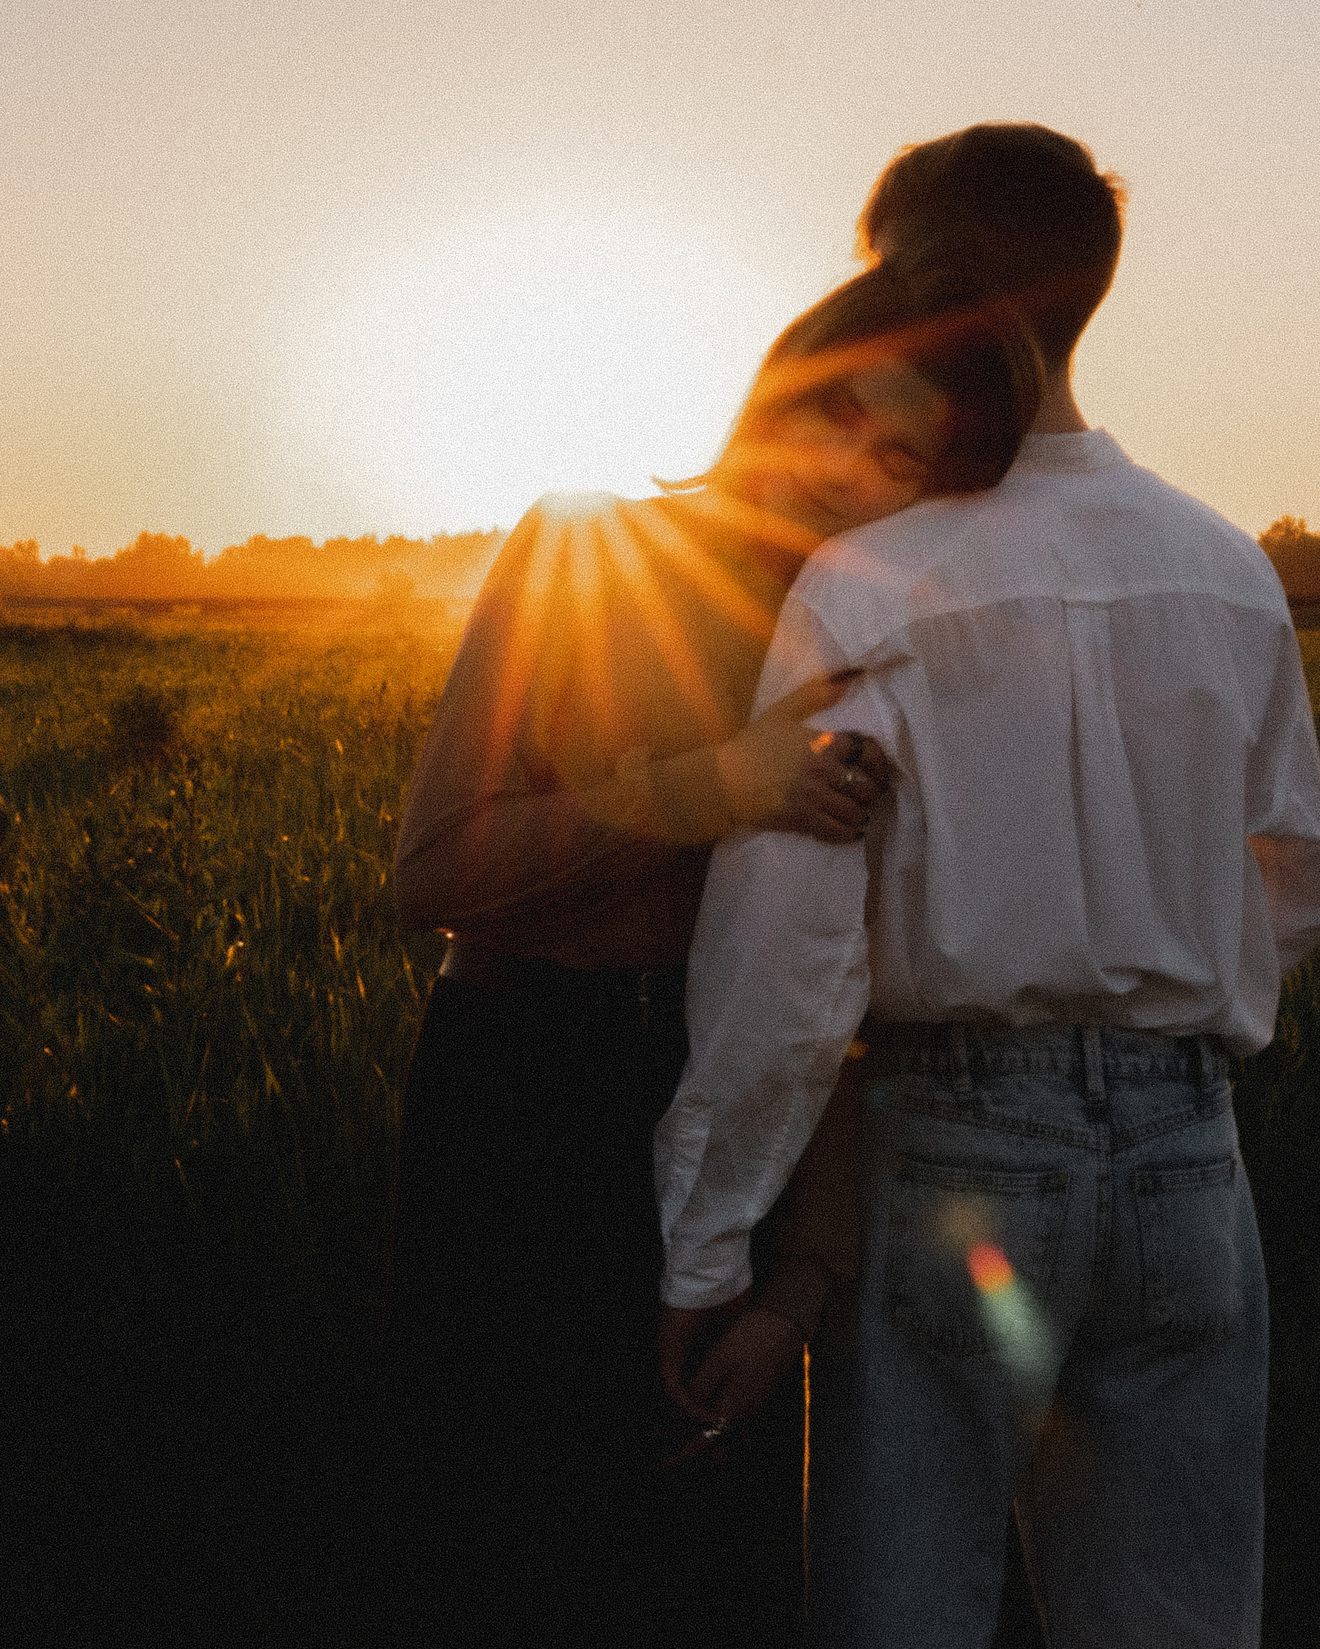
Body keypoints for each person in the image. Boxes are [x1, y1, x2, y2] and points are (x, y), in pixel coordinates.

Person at [655, 123, 1320, 1648]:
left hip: (959, 1143)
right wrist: (1157, 1033)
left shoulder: (875, 572)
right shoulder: (1227, 570)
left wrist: (711, 1242)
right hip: (1192, 1156)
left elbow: (787, 954)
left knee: (908, 1618)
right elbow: (1294, 884)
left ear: (932, 285)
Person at [379, 258, 1044, 1647]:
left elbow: (844, 995)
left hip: (732, 1109)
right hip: (518, 1093)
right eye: (834, 409)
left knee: (709, 1565)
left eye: (897, 454)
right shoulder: (584, 545)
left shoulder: (881, 640)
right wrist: (713, 786)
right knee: (499, 1547)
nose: (841, 464)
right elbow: (435, 868)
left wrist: (800, 1284)